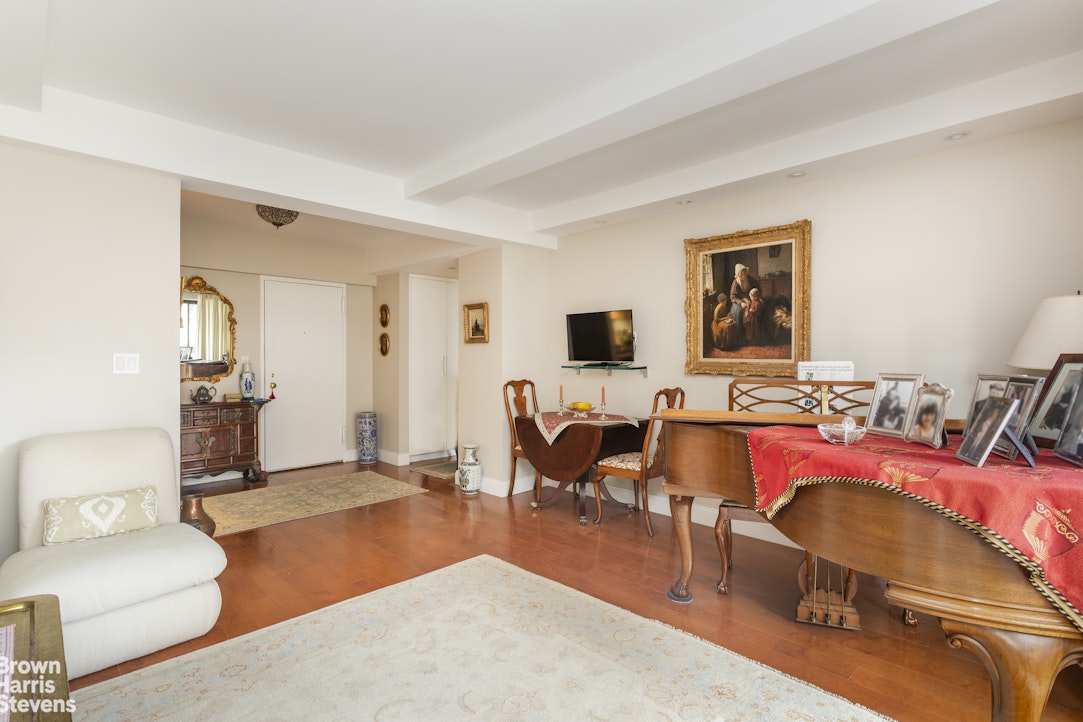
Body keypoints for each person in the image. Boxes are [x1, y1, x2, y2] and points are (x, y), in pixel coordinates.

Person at [728, 263, 760, 343]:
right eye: (741, 275)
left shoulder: (750, 279)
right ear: (737, 274)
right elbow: (733, 297)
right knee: (738, 312)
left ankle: (751, 334)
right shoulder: (735, 283)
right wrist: (741, 303)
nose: (743, 277)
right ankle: (740, 336)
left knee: (755, 308)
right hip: (738, 301)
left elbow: (757, 288)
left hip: (750, 298)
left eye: (745, 274)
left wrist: (754, 297)